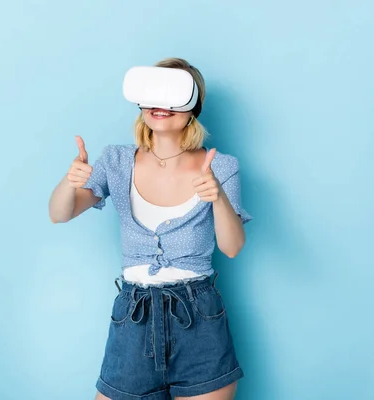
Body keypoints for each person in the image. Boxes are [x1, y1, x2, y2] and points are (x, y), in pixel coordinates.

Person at [48, 57, 253, 400]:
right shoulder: (115, 160)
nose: (161, 105)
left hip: (199, 316)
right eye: (153, 94)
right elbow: (60, 214)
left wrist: (217, 198)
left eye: (173, 95)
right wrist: (70, 182)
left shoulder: (221, 166)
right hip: (134, 315)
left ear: (193, 106)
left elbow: (232, 247)